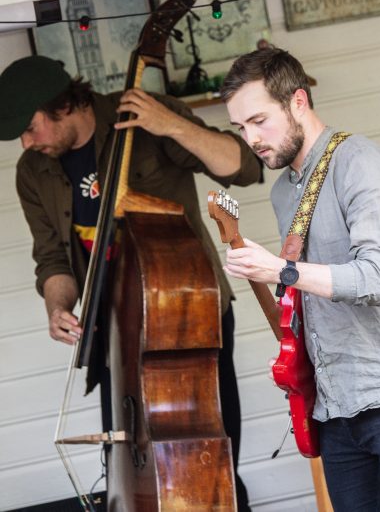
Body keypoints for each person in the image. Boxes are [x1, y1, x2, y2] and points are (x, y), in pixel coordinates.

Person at [0, 55, 263, 511]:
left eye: (30, 127)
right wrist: (57, 307)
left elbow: (244, 168)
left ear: (60, 105)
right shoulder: (33, 173)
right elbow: (52, 260)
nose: (26, 143)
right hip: (114, 335)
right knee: (127, 464)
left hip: (187, 322)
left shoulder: (145, 117)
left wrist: (173, 126)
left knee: (210, 462)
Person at [219, 46, 380, 511]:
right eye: (240, 128)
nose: (251, 139)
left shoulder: (358, 160)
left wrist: (280, 269)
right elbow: (307, 297)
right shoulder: (284, 193)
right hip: (333, 411)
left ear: (298, 101)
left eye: (259, 120)